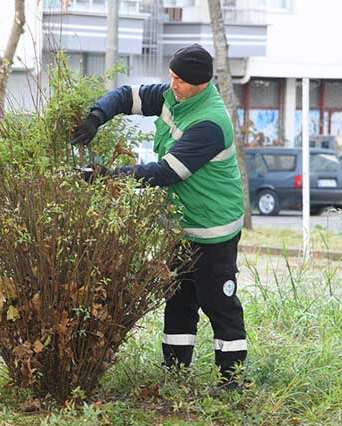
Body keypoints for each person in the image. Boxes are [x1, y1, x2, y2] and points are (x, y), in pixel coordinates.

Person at [70, 44, 247, 388]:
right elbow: (126, 96)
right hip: (181, 226)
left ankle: (232, 381)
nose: (172, 84)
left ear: (200, 83)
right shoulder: (172, 97)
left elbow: (166, 172)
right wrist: (95, 117)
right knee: (178, 299)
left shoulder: (210, 123)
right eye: (171, 76)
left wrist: (106, 176)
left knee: (218, 302)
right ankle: (176, 373)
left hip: (213, 228)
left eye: (179, 80)